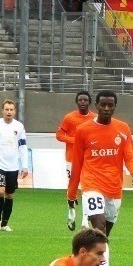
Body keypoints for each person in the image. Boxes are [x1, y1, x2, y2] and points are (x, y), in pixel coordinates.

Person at [67, 90, 133, 266]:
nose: (107, 108)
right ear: (97, 106)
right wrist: (72, 192)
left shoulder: (122, 129)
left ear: (115, 107)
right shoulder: (83, 130)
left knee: (104, 235)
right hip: (91, 184)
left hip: (114, 188)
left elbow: (131, 155)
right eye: (103, 105)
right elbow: (77, 163)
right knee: (99, 227)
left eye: (110, 105)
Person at [0, 99, 29, 232]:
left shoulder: (19, 127)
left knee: (9, 195)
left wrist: (25, 165)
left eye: (11, 110)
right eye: (7, 109)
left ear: (15, 111)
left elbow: (23, 146)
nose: (9, 112)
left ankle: (5, 223)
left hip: (13, 166)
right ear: (2, 111)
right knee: (0, 191)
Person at [56, 91, 96, 231]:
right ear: (77, 102)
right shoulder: (69, 118)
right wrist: (74, 141)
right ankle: (71, 211)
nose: (83, 102)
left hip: (89, 159)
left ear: (90, 102)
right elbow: (59, 135)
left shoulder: (95, 118)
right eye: (80, 100)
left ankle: (85, 220)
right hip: (72, 158)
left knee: (88, 189)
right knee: (72, 188)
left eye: (85, 100)